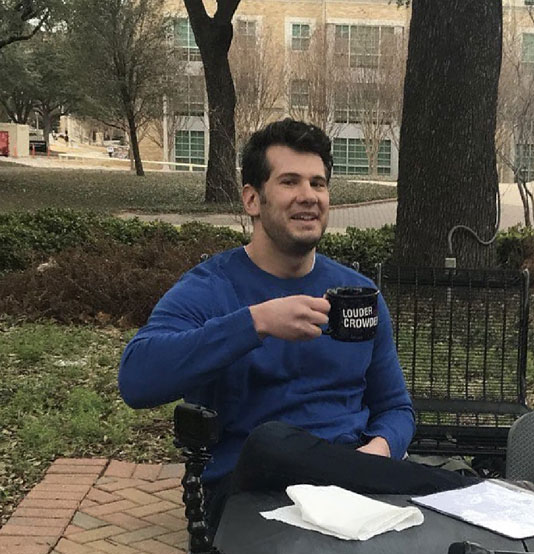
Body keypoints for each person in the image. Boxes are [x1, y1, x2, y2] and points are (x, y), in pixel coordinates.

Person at [119, 119, 455, 524]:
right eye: (290, 182)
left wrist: (378, 453)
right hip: (253, 496)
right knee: (272, 441)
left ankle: (481, 501)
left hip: (355, 488)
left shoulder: (358, 295)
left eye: (318, 183)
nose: (308, 196)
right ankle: (469, 493)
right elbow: (136, 380)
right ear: (252, 200)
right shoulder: (211, 289)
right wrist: (255, 323)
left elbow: (395, 407)